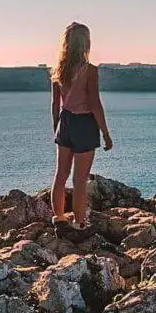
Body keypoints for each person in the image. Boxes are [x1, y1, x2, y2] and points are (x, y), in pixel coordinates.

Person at [50, 22, 112, 229]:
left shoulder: (58, 70)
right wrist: (105, 133)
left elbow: (55, 104)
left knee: (61, 175)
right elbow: (94, 103)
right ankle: (79, 223)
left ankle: (58, 218)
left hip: (65, 122)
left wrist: (56, 128)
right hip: (84, 124)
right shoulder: (90, 71)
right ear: (86, 43)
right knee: (80, 180)